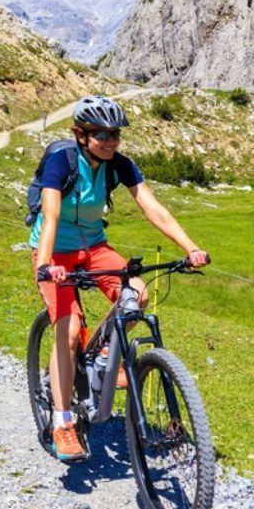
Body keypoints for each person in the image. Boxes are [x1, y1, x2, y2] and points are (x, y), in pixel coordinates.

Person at [30, 95, 210, 462]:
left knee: (138, 294)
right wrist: (46, 264)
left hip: (94, 246)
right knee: (66, 331)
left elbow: (152, 207)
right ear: (81, 134)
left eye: (115, 134)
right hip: (56, 252)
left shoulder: (120, 165)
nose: (110, 141)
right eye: (101, 134)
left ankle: (106, 352)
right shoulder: (60, 162)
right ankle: (63, 423)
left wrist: (192, 247)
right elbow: (49, 216)